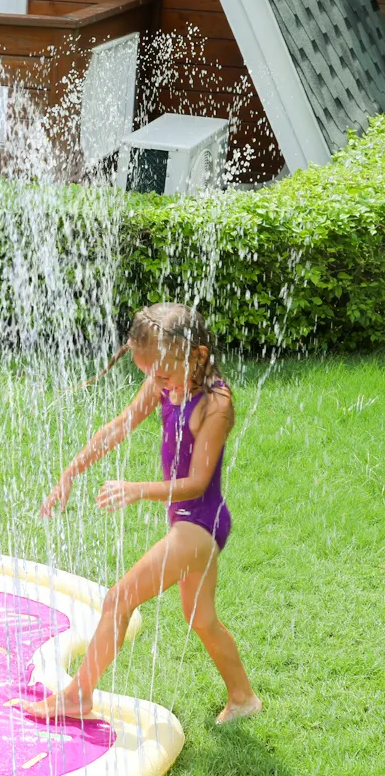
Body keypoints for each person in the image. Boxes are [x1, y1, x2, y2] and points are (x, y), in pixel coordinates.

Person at [25, 303, 261, 726]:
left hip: (200, 523)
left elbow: (196, 483)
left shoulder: (214, 406)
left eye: (163, 375)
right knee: (200, 618)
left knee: (120, 597)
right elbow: (120, 425)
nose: (157, 383)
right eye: (150, 374)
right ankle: (243, 697)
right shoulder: (165, 382)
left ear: (198, 357)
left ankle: (78, 695)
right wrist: (70, 471)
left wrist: (137, 490)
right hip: (185, 521)